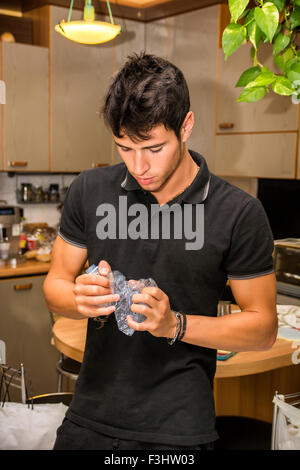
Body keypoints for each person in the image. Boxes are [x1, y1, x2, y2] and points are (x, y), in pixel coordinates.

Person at [44, 52, 278, 451]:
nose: (138, 166)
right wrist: (81, 298)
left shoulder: (238, 212)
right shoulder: (89, 190)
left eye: (153, 148)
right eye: (124, 148)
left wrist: (175, 325)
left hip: (178, 428)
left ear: (186, 126)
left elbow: (263, 329)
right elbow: (55, 288)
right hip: (90, 415)